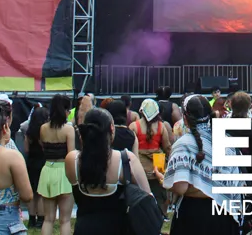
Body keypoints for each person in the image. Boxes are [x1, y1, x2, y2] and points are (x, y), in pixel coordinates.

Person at [161, 94, 242, 234]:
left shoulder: (183, 144)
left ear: (185, 118)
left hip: (194, 215)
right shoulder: (225, 140)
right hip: (224, 213)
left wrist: (162, 179)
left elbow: (180, 188)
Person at [65, 107, 150, 234]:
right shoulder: (126, 160)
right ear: (112, 128)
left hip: (84, 229)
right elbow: (148, 198)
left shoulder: (72, 160)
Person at [39, 93, 76, 235]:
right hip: (64, 172)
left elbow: (43, 148)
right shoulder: (69, 129)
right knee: (65, 220)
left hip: (47, 170)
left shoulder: (43, 128)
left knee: (48, 219)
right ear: (65, 110)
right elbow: (71, 154)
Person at [135, 98, 172, 209]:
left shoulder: (134, 126)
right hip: (158, 165)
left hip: (140, 166)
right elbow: (167, 147)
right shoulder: (161, 126)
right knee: (159, 194)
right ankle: (160, 212)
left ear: (141, 111)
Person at [24, 105, 50, 230]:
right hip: (42, 162)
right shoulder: (44, 132)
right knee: (40, 193)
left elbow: (26, 149)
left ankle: (31, 219)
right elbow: (45, 148)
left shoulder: (29, 132)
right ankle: (40, 219)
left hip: (31, 163)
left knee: (32, 192)